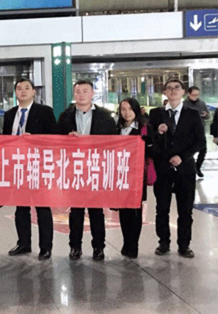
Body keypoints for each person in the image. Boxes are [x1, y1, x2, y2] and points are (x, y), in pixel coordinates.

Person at [58, 80, 117, 261]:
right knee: (75, 211)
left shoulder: (105, 116)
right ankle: (75, 246)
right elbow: (56, 140)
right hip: (74, 169)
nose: (81, 95)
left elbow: (113, 141)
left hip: (96, 168)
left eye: (85, 91)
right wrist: (67, 138)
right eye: (78, 91)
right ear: (74, 94)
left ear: (92, 94)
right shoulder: (65, 116)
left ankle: (98, 247)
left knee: (96, 211)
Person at [148, 78, 205, 258]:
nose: (173, 91)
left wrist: (182, 157)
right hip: (163, 168)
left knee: (185, 210)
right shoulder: (156, 114)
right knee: (162, 208)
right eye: (169, 88)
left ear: (183, 92)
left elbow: (200, 141)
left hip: (185, 168)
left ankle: (184, 245)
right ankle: (163, 242)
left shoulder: (192, 114)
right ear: (164, 92)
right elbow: (149, 140)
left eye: (177, 88)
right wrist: (158, 132)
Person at [3, 78, 58, 261]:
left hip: (38, 166)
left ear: (34, 92)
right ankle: (24, 243)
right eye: (19, 88)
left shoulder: (45, 112)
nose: (23, 91)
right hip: (18, 167)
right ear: (15, 93)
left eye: (27, 88)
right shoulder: (10, 114)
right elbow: (4, 140)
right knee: (21, 208)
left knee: (42, 208)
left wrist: (33, 139)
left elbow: (53, 138)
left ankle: (45, 247)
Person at [116, 98, 151, 259]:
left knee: (135, 210)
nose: (127, 113)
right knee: (123, 210)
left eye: (130, 109)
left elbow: (152, 150)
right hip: (120, 175)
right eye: (123, 109)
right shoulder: (116, 129)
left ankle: (134, 245)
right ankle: (126, 242)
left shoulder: (144, 129)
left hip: (137, 176)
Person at [183, 86, 210, 178]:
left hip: (200, 130)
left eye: (197, 95)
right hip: (188, 131)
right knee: (189, 151)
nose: (195, 97)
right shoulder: (184, 104)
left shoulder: (202, 103)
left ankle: (198, 167)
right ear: (189, 94)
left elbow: (208, 116)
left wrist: (206, 115)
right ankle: (190, 168)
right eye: (193, 95)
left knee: (203, 150)